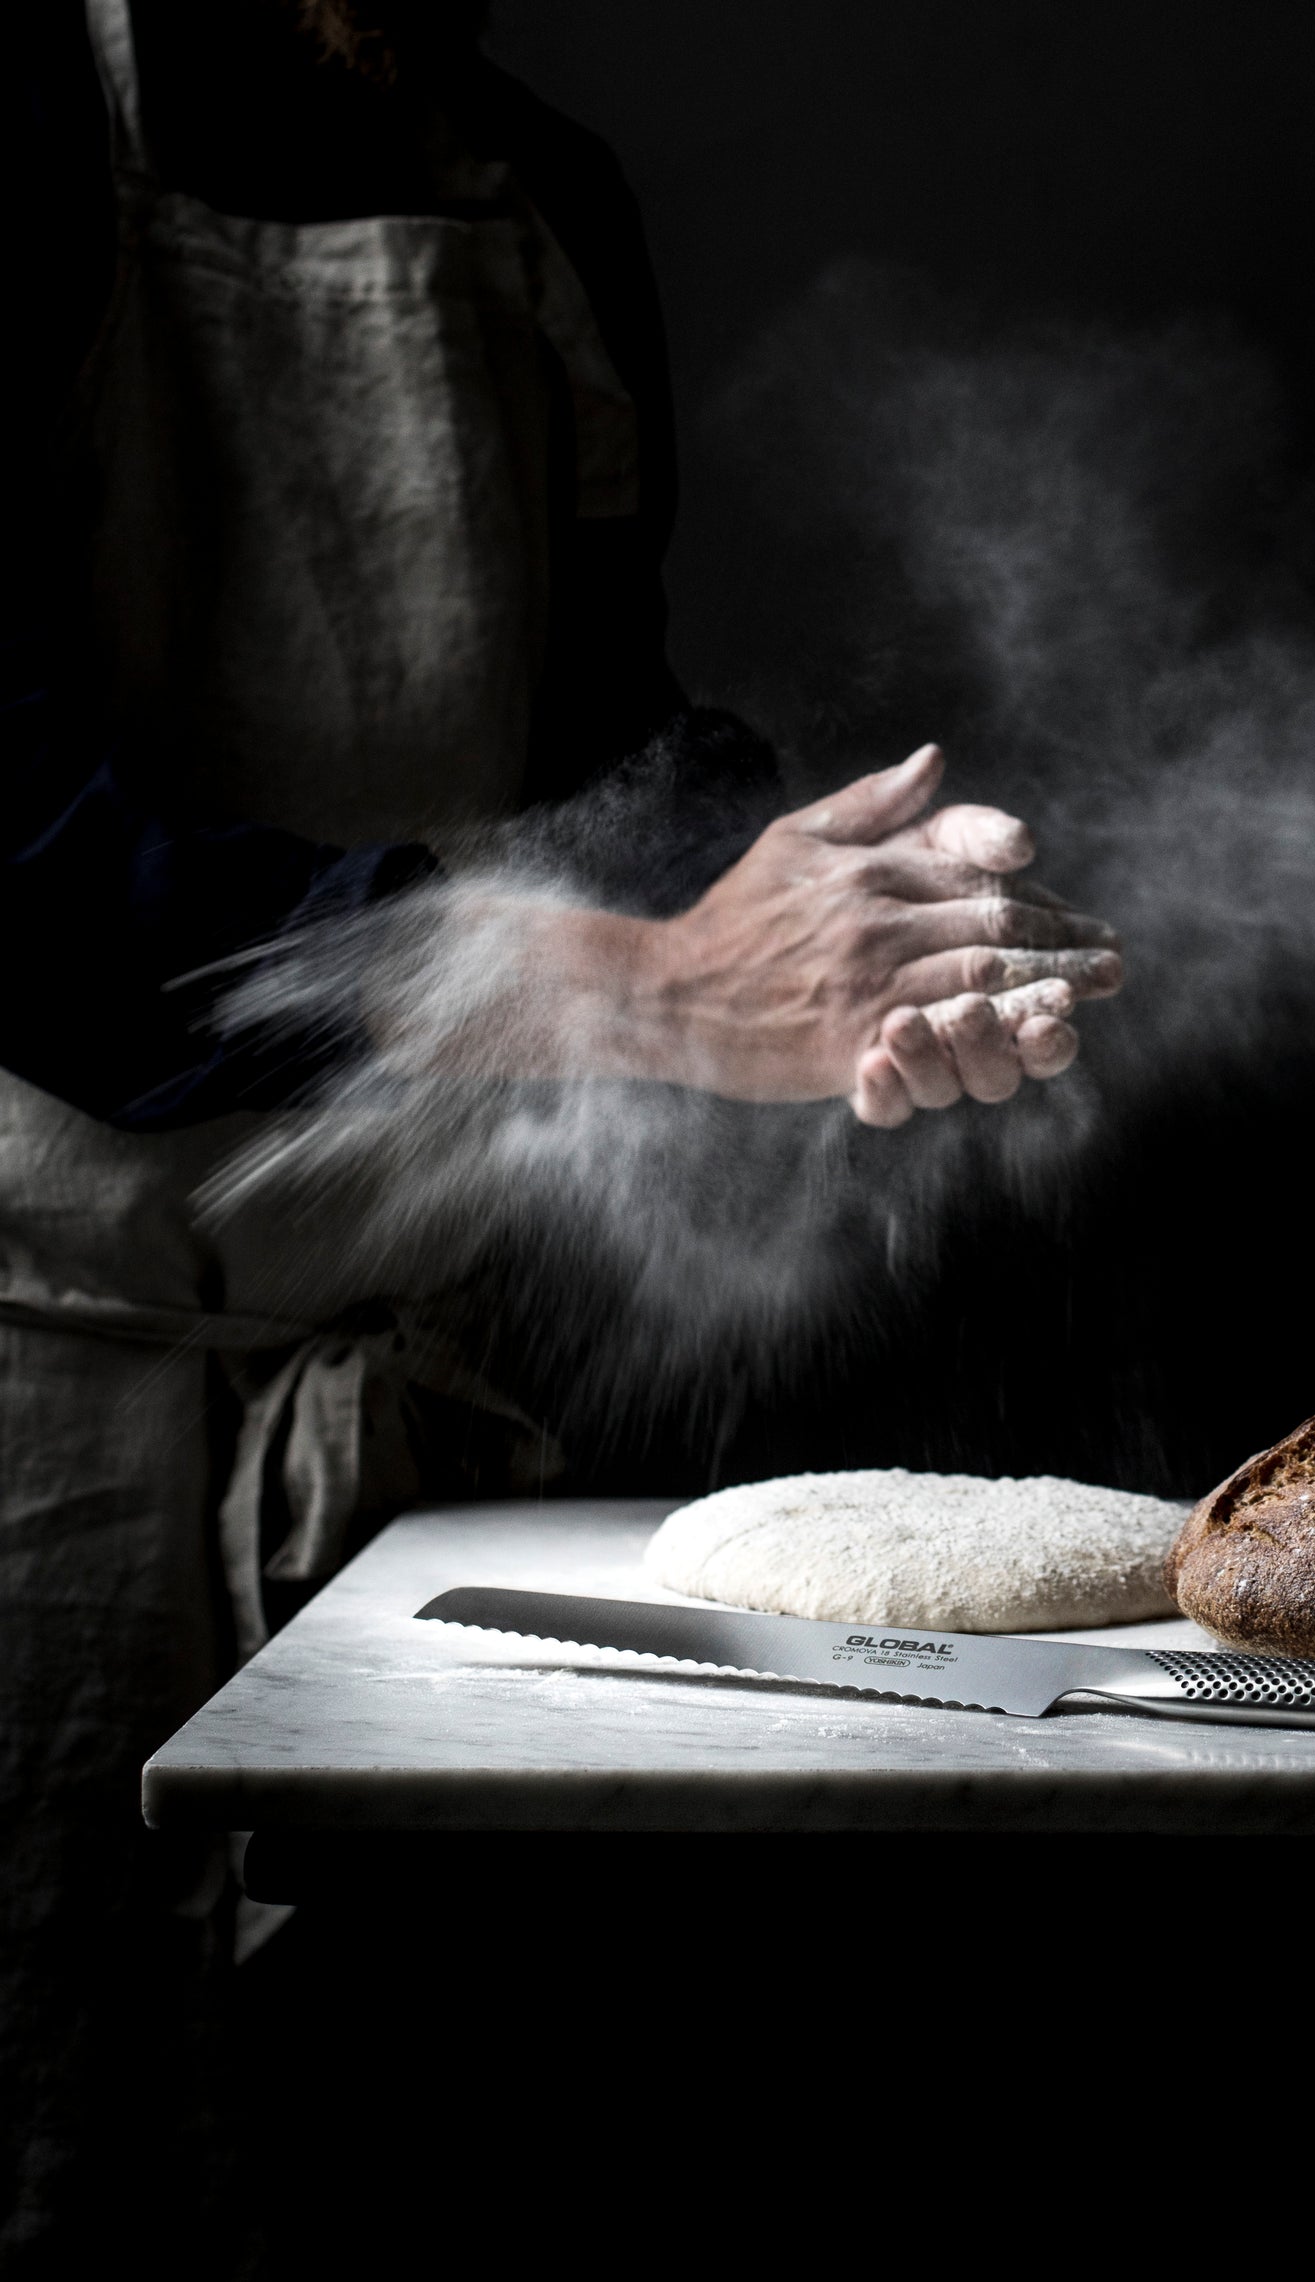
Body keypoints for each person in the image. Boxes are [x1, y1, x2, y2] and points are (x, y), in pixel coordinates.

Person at [1, 0, 1121, 2259]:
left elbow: (597, 756)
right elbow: (33, 870)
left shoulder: (532, 193)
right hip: (58, 1415)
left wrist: (869, 930)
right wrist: (664, 986)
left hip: (438, 1379)